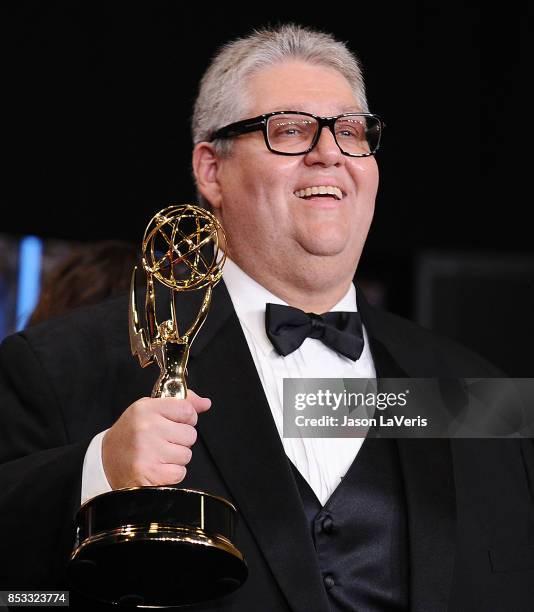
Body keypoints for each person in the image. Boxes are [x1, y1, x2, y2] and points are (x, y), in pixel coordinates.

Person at [1, 24, 533, 611]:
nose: (330, 151)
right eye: (289, 130)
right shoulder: (63, 365)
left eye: (352, 132)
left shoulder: (474, 392)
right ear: (211, 170)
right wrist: (96, 473)